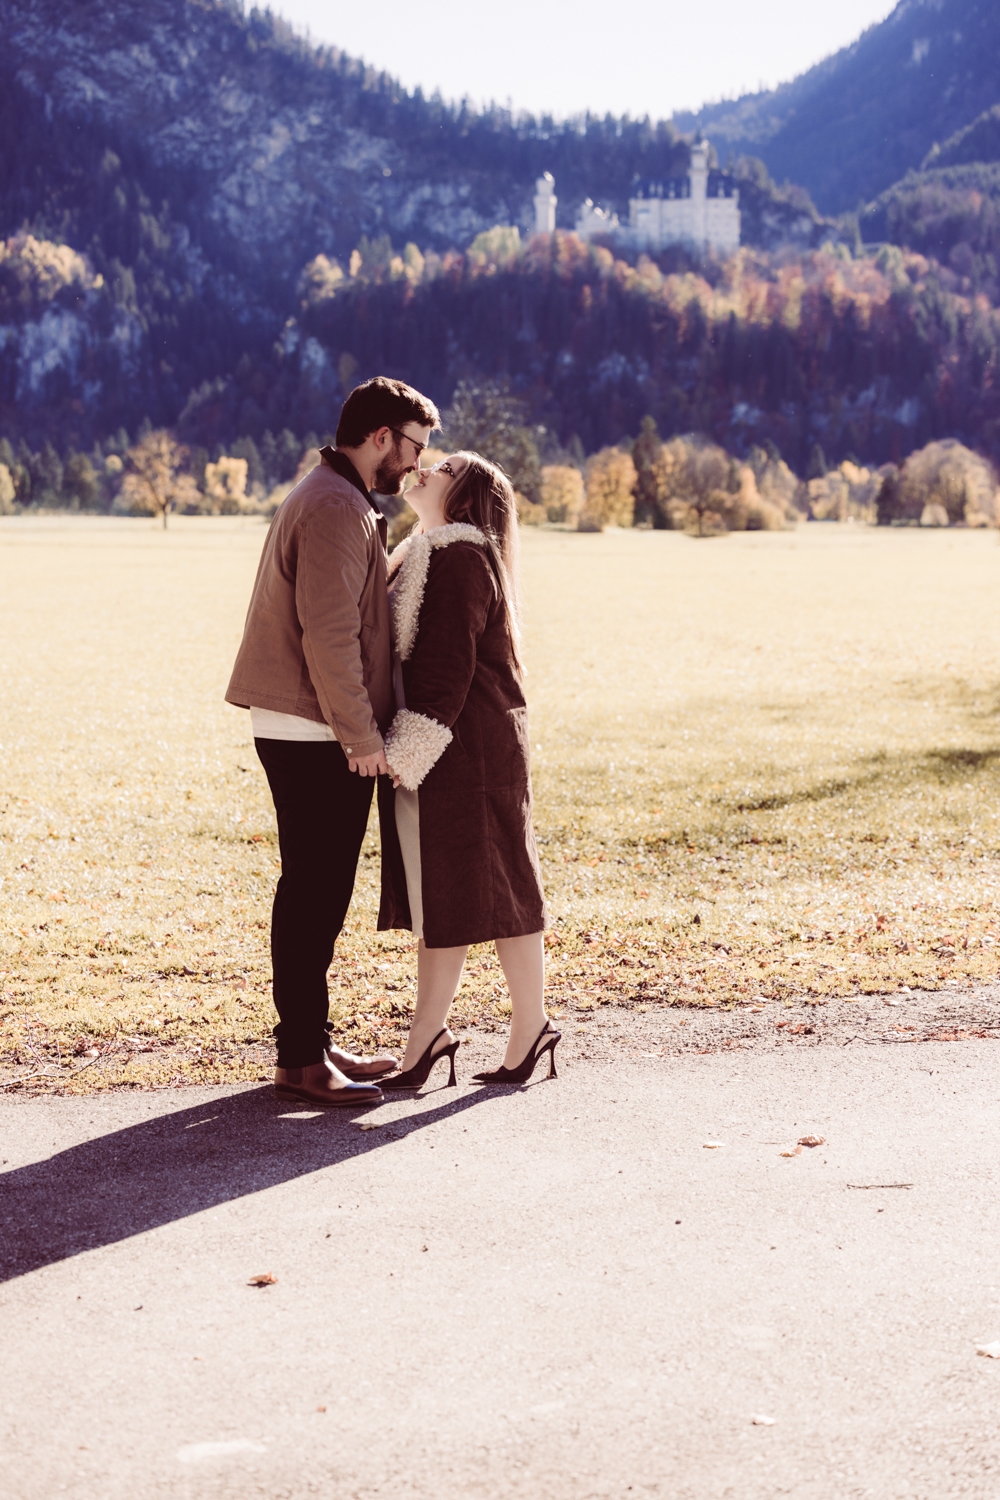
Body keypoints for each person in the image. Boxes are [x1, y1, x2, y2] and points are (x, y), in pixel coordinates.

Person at [225, 377, 440, 1107]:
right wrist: (360, 736)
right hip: (316, 728)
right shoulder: (332, 507)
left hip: (312, 723)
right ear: (380, 436)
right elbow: (330, 636)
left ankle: (310, 1043)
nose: (416, 466)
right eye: (414, 448)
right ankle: (299, 1060)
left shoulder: (336, 499)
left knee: (318, 888)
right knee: (315, 890)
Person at [377, 451, 560, 1089]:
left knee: (491, 887)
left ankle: (510, 1028)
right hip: (459, 744)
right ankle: (439, 1035)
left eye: (446, 466)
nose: (426, 466)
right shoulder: (427, 551)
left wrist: (406, 753)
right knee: (451, 892)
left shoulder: (458, 555)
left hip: (466, 748)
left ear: (467, 495)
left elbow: (449, 667)